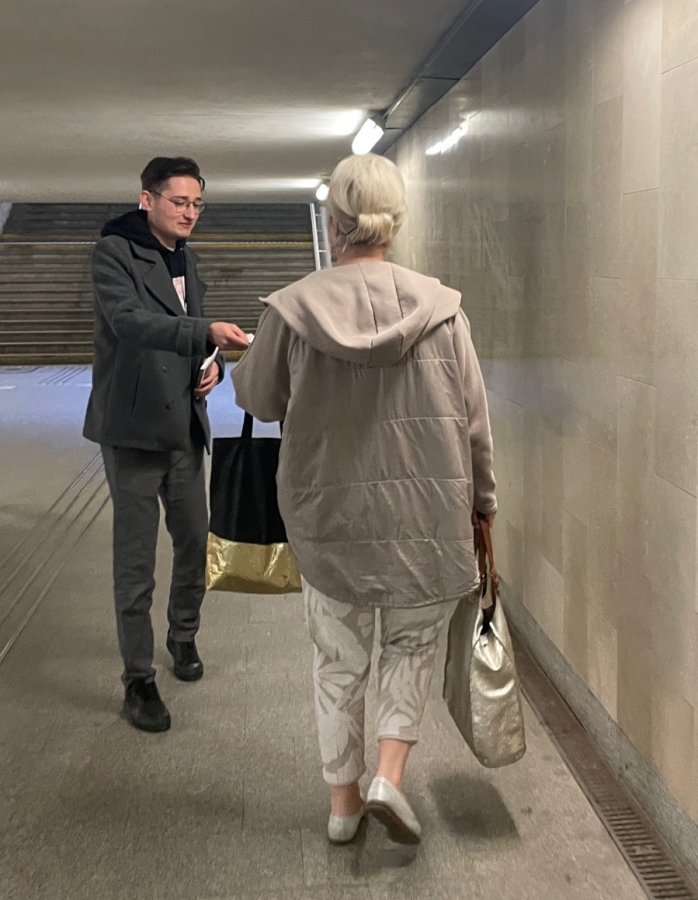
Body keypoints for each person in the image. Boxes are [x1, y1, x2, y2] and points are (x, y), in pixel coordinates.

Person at [232, 153, 497, 845]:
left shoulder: (291, 310)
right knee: (411, 646)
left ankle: (344, 806)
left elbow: (257, 398)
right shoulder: (444, 312)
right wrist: (485, 503)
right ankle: (389, 776)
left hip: (329, 518)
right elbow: (474, 422)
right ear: (395, 221)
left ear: (334, 224)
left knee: (339, 661)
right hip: (427, 516)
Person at [83, 156, 248, 733]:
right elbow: (129, 323)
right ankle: (138, 679)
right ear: (146, 199)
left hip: (184, 426)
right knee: (135, 562)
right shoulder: (114, 252)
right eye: (179, 201)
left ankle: (183, 634)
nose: (189, 212)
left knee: (193, 541)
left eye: (197, 203)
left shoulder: (186, 258)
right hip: (132, 428)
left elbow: (197, 334)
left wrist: (213, 362)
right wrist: (203, 332)